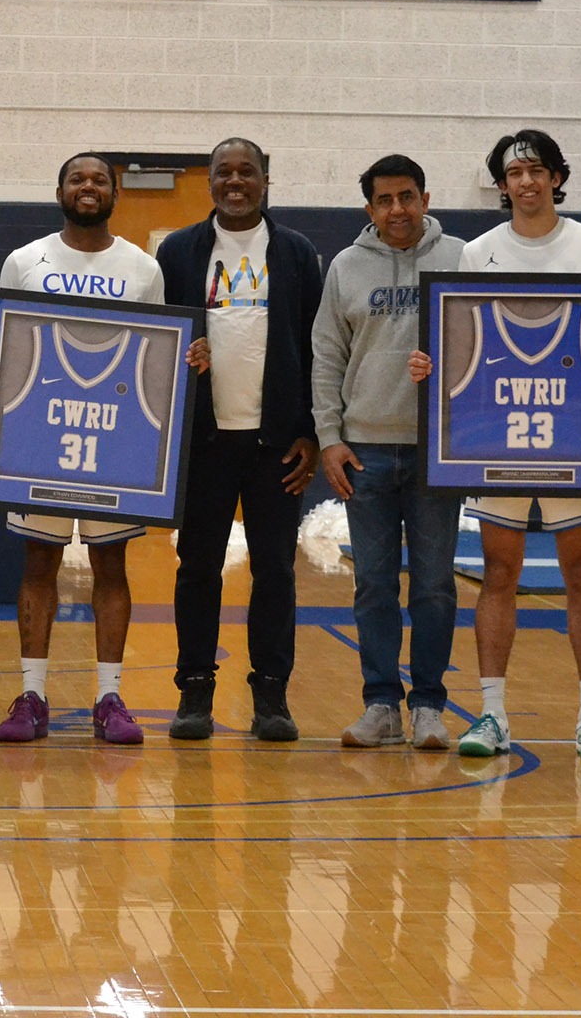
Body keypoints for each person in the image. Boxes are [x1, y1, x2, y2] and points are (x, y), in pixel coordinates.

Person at [408, 129, 581, 761]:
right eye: (514, 173)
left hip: (576, 440)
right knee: (499, 572)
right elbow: (458, 339)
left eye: (537, 170)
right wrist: (434, 366)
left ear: (557, 177)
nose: (527, 182)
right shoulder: (476, 253)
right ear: (501, 184)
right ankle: (492, 713)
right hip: (495, 436)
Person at [0, 152, 190, 746]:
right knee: (38, 564)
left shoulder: (142, 268)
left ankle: (109, 696)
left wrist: (189, 360)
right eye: (77, 178)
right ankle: (32, 696)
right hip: (39, 438)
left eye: (99, 179)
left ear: (114, 193)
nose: (88, 186)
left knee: (111, 565)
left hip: (115, 441)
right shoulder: (24, 260)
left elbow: (157, 358)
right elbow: (8, 351)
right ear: (59, 189)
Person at [155, 138, 323, 742]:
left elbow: (317, 352)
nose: (235, 181)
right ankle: (195, 691)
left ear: (265, 180)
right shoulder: (178, 251)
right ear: (209, 183)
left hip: (277, 443)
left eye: (245, 171)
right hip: (203, 442)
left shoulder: (299, 254)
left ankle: (271, 697)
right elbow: (155, 343)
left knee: (275, 570)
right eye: (223, 172)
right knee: (197, 568)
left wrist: (310, 431)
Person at [311, 155, 466, 750]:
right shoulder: (347, 267)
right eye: (384, 200)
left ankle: (428, 705)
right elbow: (326, 356)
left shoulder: (462, 258)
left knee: (433, 586)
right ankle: (380, 704)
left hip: (437, 453)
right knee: (373, 584)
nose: (397, 209)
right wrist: (330, 438)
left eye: (407, 197)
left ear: (425, 198)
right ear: (369, 208)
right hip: (365, 449)